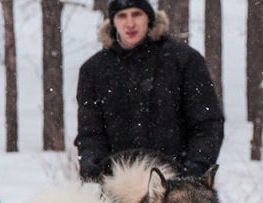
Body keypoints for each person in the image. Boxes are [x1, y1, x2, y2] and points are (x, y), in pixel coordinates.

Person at [74, 0, 224, 180]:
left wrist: (193, 170)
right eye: (122, 16)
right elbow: (91, 134)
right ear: (113, 22)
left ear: (149, 17)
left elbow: (207, 123)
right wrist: (93, 169)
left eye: (136, 14)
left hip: (177, 185)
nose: (130, 23)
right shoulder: (93, 70)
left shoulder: (185, 60)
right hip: (119, 185)